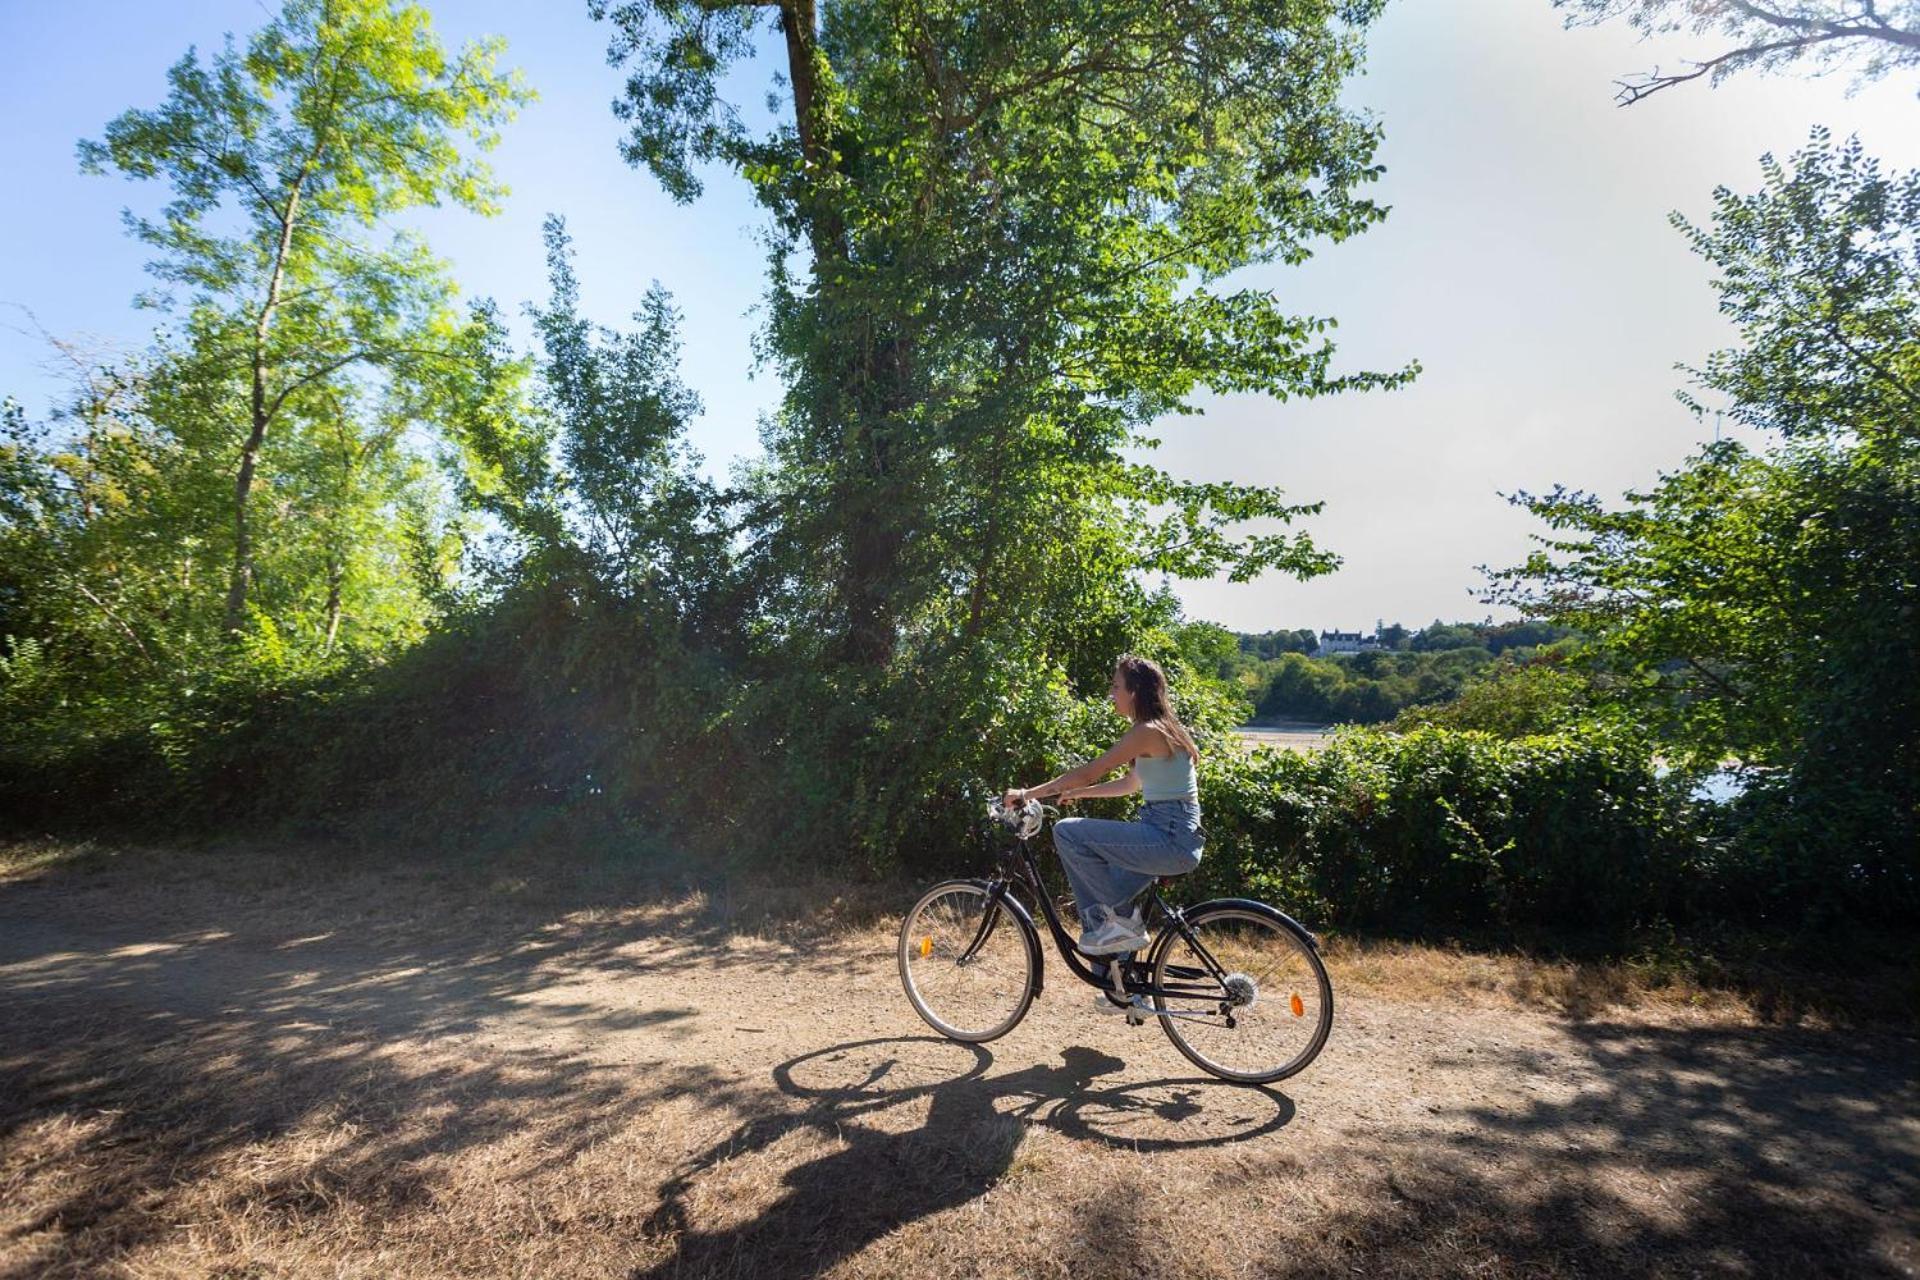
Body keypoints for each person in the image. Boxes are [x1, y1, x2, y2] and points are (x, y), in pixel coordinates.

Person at [1001, 654, 1207, 1011]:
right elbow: (1131, 784)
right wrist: (1080, 793)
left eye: (1115, 687)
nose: (1111, 693)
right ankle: (1122, 991)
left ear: (1135, 691)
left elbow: (1090, 771)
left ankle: (1121, 933)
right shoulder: (1166, 729)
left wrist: (1026, 794)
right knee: (1107, 900)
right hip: (1174, 836)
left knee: (1067, 833)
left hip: (1166, 836)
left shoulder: (1147, 731)